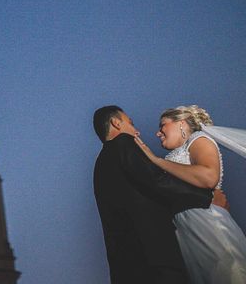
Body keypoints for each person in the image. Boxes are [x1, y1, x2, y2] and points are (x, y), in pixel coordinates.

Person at [93, 105, 213, 284]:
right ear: (116, 123)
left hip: (125, 265)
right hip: (154, 257)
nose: (137, 131)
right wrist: (207, 199)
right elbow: (156, 180)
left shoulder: (100, 165)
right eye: (131, 123)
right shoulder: (123, 143)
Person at [135, 105, 246, 283]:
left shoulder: (199, 139)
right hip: (185, 227)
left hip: (206, 222)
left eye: (162, 125)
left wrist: (155, 161)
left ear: (181, 123)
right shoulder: (175, 154)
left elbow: (209, 177)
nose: (158, 133)